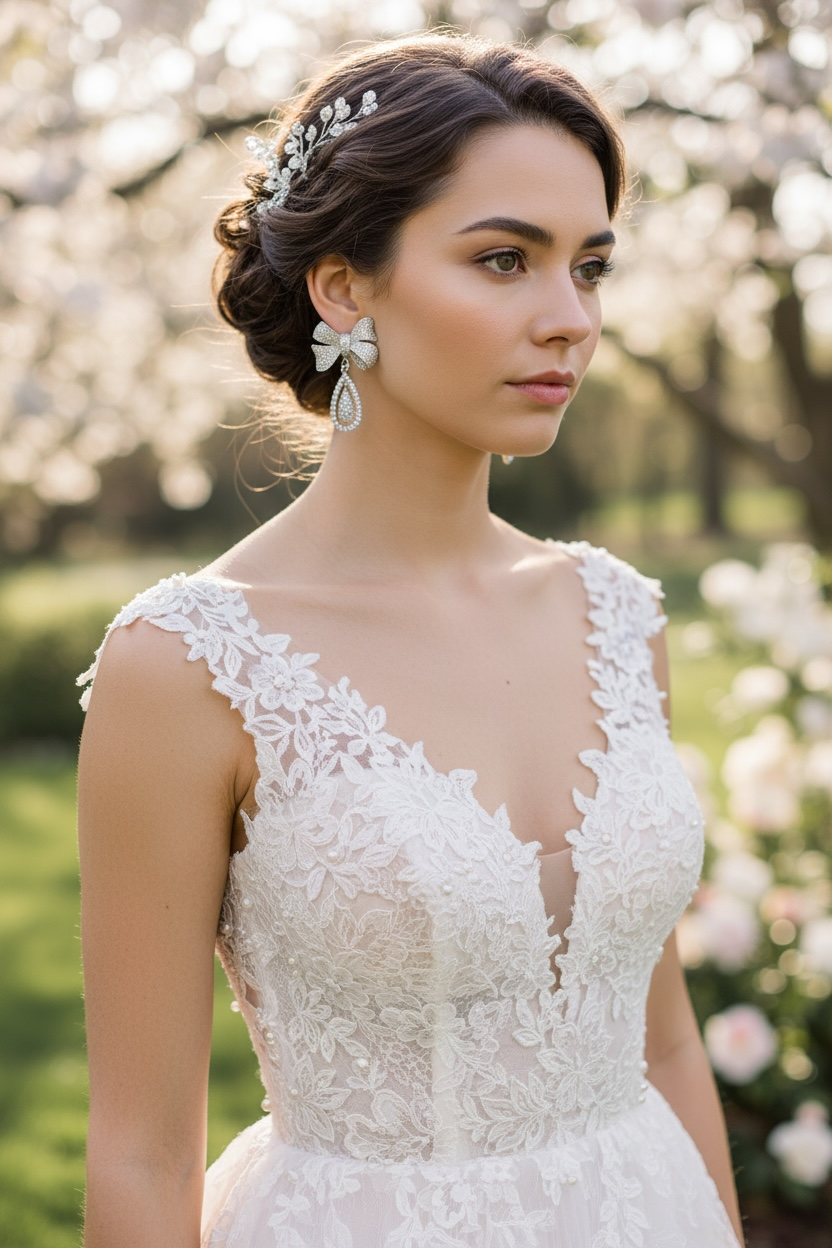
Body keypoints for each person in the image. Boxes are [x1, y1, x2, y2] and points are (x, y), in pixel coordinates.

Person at [76, 31, 747, 1248]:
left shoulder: (618, 615)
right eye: (504, 261)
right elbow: (140, 1149)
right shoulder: (186, 666)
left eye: (588, 268)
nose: (568, 321)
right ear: (344, 286)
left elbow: (663, 1042)